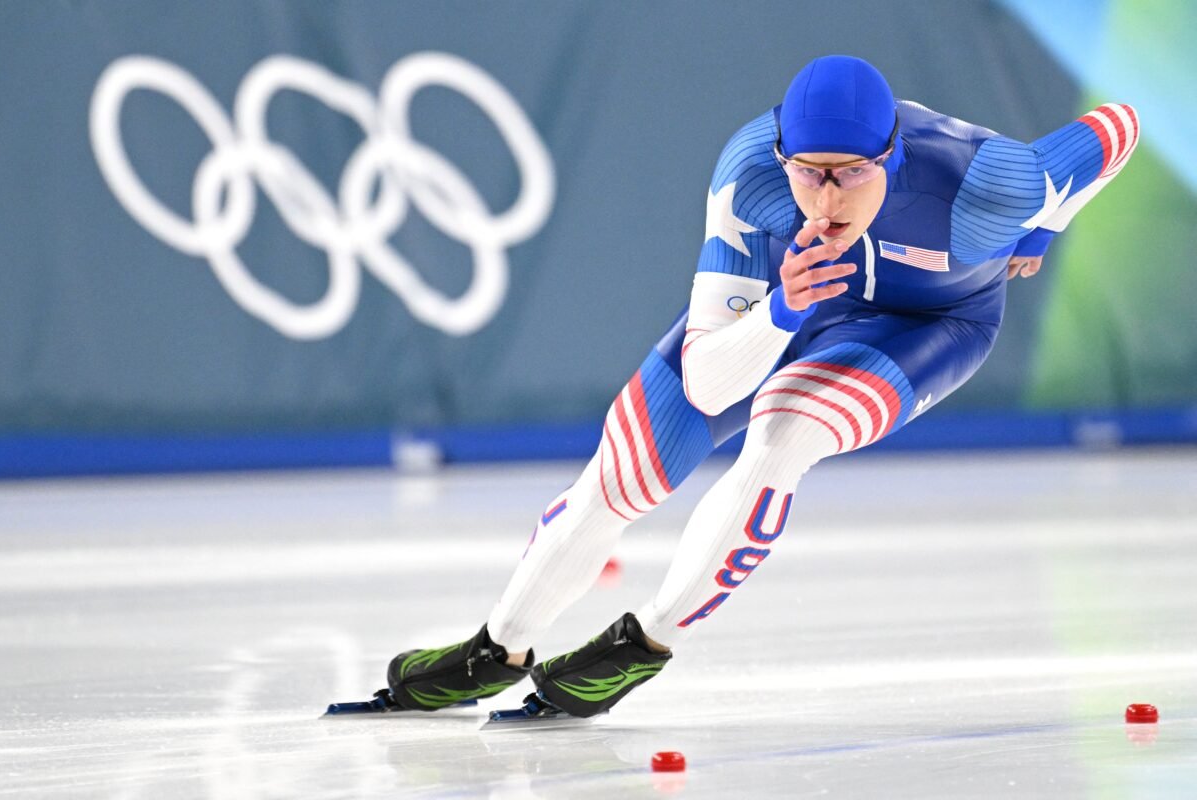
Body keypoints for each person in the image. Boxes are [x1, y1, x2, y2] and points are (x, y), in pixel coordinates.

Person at [382, 55, 1140, 718]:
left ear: (893, 155)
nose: (827, 200)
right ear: (782, 157)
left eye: (852, 175)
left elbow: (1119, 127)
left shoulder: (993, 187)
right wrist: (782, 310)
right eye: (809, 172)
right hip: (791, 300)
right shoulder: (751, 174)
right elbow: (709, 387)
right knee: (628, 467)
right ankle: (498, 648)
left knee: (784, 428)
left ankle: (647, 640)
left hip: (925, 325)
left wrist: (1046, 224)